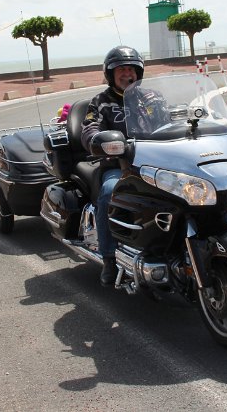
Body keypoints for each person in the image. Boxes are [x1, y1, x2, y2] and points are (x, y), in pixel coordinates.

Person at [81, 45, 144, 286]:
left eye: (131, 69)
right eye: (121, 70)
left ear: (138, 72)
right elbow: (89, 128)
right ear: (111, 74)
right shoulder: (101, 102)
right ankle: (109, 258)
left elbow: (171, 121)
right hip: (118, 165)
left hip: (152, 161)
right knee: (109, 192)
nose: (127, 74)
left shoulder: (152, 98)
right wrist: (97, 140)